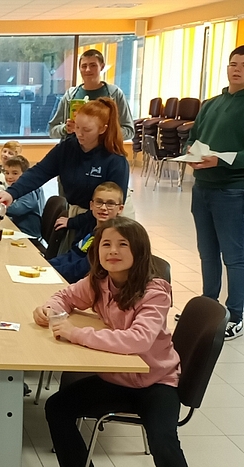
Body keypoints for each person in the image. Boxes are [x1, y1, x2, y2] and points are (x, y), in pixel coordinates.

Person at [35, 217, 186, 467]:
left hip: (156, 381)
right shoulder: (99, 281)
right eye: (106, 244)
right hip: (116, 377)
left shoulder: (155, 292)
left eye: (122, 244)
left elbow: (138, 340)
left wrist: (75, 332)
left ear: (139, 250)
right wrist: (49, 309)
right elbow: (65, 296)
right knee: (57, 407)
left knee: (163, 441)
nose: (113, 251)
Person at [186, 45, 244, 340]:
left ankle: (235, 314)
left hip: (232, 189)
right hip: (202, 187)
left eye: (243, 66)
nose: (237, 70)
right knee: (207, 252)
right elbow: (194, 137)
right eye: (233, 64)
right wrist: (190, 153)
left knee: (234, 256)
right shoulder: (211, 104)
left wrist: (220, 160)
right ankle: (208, 306)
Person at [0, 97, 130, 216]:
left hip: (105, 220)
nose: (79, 134)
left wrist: (74, 222)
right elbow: (39, 172)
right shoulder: (67, 148)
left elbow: (110, 209)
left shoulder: (115, 160)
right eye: (77, 127)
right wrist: (11, 193)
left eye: (86, 130)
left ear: (102, 129)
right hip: (77, 215)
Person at [48, 49, 134, 141]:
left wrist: (106, 131)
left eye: (93, 65)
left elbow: (129, 131)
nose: (88, 70)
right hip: (73, 149)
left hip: (105, 149)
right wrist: (65, 128)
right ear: (79, 68)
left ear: (102, 67)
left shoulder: (115, 94)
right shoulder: (69, 96)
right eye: (84, 66)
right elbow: (52, 130)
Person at [49, 182, 124, 283]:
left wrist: (52, 270)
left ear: (120, 209)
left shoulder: (110, 239)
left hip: (77, 282)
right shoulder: (89, 227)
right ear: (91, 205)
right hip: (63, 273)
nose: (103, 208)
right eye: (99, 202)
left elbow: (82, 269)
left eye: (110, 204)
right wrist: (48, 264)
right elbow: (72, 254)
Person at [2, 155, 44, 238]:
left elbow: (17, 209)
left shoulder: (29, 190)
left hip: (28, 234)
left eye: (15, 173)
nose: (9, 176)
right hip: (17, 229)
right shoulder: (14, 187)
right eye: (7, 173)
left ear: (26, 174)